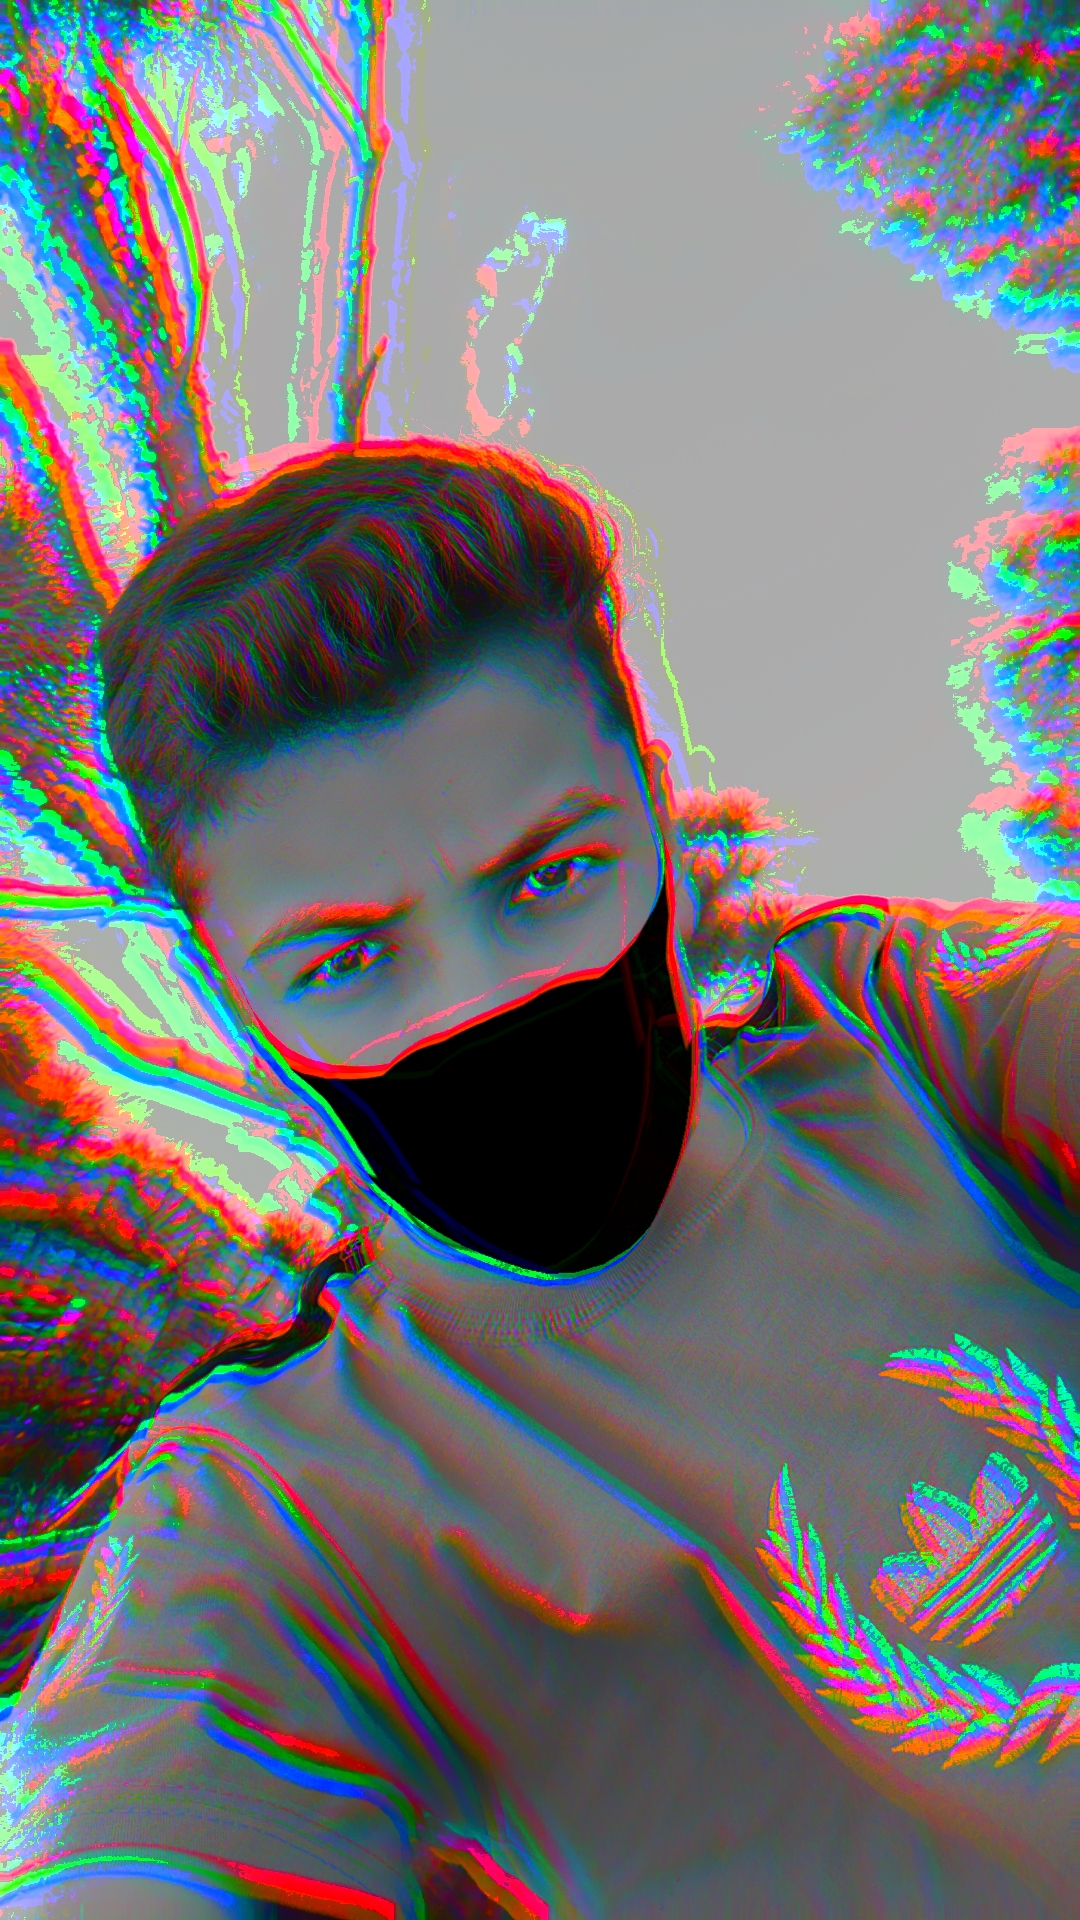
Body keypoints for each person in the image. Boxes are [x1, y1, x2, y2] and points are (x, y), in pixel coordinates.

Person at [2, 438, 1079, 1919]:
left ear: (656, 809)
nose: (486, 1001)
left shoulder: (910, 1042)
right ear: (231, 993)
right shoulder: (283, 1510)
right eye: (348, 962)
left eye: (549, 879)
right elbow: (128, 1855)